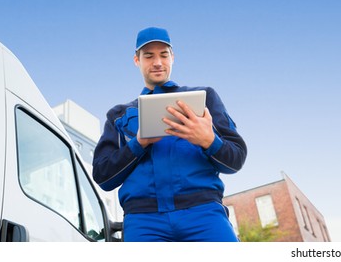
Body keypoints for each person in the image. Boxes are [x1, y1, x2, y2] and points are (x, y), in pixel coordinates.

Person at [92, 27, 247, 242]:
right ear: (137, 60)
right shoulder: (119, 115)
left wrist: (209, 141)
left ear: (172, 58)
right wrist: (139, 143)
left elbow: (236, 160)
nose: (157, 62)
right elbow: (103, 176)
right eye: (149, 56)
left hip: (203, 214)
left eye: (164, 55)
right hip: (144, 221)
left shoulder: (204, 99)